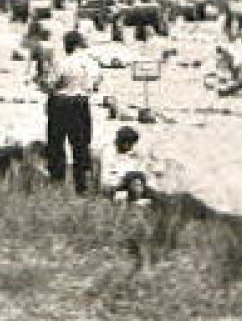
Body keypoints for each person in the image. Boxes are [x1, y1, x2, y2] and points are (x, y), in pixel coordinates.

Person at [40, 30, 101, 194]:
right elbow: (96, 84)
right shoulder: (92, 63)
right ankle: (82, 185)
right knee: (81, 145)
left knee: (56, 144)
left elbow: (50, 84)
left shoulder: (63, 62)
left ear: (69, 44)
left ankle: (57, 181)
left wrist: (42, 82)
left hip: (61, 104)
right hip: (82, 104)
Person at [100, 125, 164, 203]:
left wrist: (140, 174)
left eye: (132, 143)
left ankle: (138, 199)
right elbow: (109, 176)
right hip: (112, 184)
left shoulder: (131, 153)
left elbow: (140, 167)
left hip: (127, 183)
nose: (131, 146)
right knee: (135, 181)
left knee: (145, 185)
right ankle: (133, 199)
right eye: (130, 143)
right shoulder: (109, 152)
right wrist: (128, 176)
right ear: (124, 142)